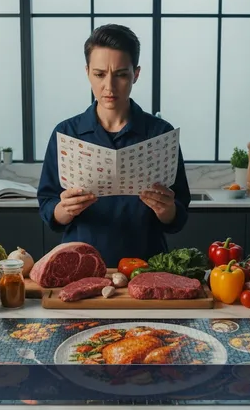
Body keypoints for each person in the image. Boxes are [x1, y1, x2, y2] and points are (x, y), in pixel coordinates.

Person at [36, 24, 191, 268]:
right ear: (87, 72)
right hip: (79, 266)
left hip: (148, 265)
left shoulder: (160, 134)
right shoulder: (66, 133)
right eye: (99, 74)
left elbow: (180, 213)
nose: (109, 86)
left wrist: (167, 209)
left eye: (120, 74)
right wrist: (65, 208)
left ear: (135, 74)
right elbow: (47, 205)